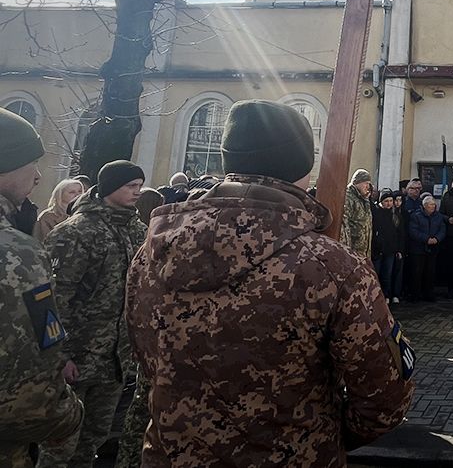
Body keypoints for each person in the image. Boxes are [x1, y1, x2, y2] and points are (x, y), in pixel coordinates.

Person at [124, 99, 414, 466]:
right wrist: (325, 435)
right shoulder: (332, 266)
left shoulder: (153, 252)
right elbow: (385, 395)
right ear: (302, 165)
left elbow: (143, 356)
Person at [40, 160, 148, 468]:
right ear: (111, 187)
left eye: (140, 186)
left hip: (115, 360)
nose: (137, 192)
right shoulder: (75, 232)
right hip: (76, 357)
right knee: (59, 444)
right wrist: (60, 356)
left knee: (93, 441)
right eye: (131, 186)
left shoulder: (139, 232)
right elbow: (53, 300)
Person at [0, 109, 83, 468]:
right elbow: (27, 400)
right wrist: (70, 415)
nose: (37, 176)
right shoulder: (16, 253)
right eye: (31, 163)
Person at [407, 195, 445, 301]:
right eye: (430, 205)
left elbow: (442, 229)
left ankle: (428, 294)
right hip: (418, 249)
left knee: (430, 272)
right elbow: (413, 231)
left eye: (434, 205)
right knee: (417, 272)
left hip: (433, 248)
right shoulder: (416, 215)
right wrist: (426, 239)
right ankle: (415, 295)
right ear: (424, 206)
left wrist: (437, 238)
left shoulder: (438, 216)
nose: (433, 207)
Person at [372, 191, 403, 304]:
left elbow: (399, 233)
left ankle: (386, 295)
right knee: (376, 273)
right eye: (386, 201)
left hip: (390, 250)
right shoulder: (376, 212)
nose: (389, 203)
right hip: (378, 249)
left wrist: (399, 249)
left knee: (387, 274)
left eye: (390, 201)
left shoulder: (395, 215)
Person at [33, 178, 83, 242]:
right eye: (72, 192)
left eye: (80, 191)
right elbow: (45, 240)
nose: (78, 195)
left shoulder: (82, 213)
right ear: (60, 194)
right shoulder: (47, 216)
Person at [341, 169, 374, 258]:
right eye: (366, 183)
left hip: (363, 253)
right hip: (353, 252)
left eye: (369, 184)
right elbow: (344, 227)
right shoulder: (348, 198)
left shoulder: (364, 199)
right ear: (357, 182)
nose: (368, 187)